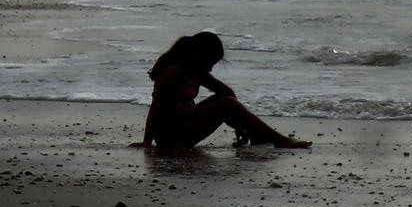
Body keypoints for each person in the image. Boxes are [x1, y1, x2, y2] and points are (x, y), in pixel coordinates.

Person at [131, 32, 310, 149]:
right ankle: (279, 140)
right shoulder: (175, 71)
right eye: (210, 63)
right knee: (228, 104)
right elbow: (156, 106)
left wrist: (239, 126)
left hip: (185, 124)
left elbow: (227, 92)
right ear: (199, 56)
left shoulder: (197, 72)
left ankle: (259, 136)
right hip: (170, 136)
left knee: (226, 100)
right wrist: (147, 142)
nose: (210, 69)